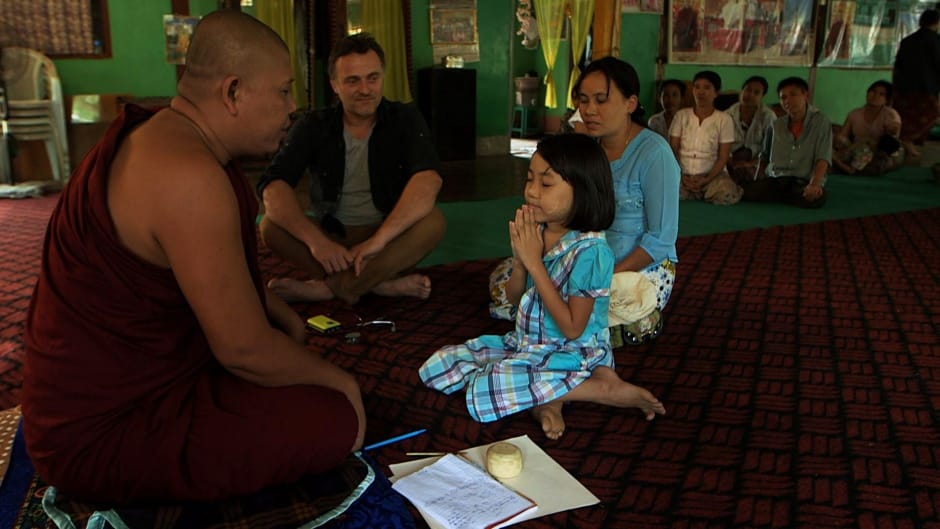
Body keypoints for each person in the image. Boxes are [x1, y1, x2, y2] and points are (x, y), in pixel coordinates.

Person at [21, 10, 365, 504]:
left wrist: (270, 311)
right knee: (331, 418)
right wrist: (342, 384)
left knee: (286, 364)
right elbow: (242, 351)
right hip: (99, 434)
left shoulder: (167, 132)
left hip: (135, 380)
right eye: (284, 90)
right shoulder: (188, 175)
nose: (293, 107)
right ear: (232, 93)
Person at [420, 134, 666, 440]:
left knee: (487, 385)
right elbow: (513, 300)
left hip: (574, 352)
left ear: (583, 190)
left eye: (546, 184)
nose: (532, 192)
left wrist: (535, 264)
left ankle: (600, 388)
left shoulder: (592, 252)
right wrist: (521, 264)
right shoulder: (538, 229)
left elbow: (574, 328)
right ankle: (551, 398)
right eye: (529, 179)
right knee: (443, 364)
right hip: (530, 343)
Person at [490, 57, 680, 347]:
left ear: (630, 103)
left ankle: (623, 322)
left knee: (612, 296)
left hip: (635, 268)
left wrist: (598, 274)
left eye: (601, 100)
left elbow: (660, 240)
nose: (589, 110)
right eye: (583, 100)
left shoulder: (655, 154)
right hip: (579, 257)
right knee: (507, 278)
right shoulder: (588, 148)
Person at [258, 33, 445, 306]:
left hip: (386, 237)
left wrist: (378, 241)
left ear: (383, 77)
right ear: (335, 85)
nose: (365, 89)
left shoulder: (405, 118)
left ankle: (331, 288)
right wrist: (317, 243)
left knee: (433, 222)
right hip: (332, 238)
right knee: (269, 227)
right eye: (352, 81)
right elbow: (274, 185)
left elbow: (428, 179)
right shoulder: (313, 124)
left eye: (373, 78)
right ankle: (378, 284)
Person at [743, 77, 831, 208]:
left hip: (803, 181)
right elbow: (764, 156)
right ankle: (784, 196)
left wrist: (814, 185)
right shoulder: (776, 125)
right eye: (783, 98)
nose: (788, 101)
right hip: (777, 179)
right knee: (746, 193)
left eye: (793, 95)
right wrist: (757, 182)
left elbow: (823, 157)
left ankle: (788, 196)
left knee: (816, 198)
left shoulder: (820, 121)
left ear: (806, 95)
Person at [669, 70, 742, 205]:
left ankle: (700, 192)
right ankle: (692, 191)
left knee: (726, 192)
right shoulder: (681, 116)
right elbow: (672, 150)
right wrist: (682, 176)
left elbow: (723, 157)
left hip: (713, 176)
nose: (701, 92)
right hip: (681, 174)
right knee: (664, 189)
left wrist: (706, 179)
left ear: (716, 92)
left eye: (707, 88)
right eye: (697, 87)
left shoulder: (724, 119)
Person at [893, 9, 940, 158]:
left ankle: (908, 145)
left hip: (904, 89)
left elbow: (897, 67)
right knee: (932, 115)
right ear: (936, 23)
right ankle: (907, 141)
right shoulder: (936, 41)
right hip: (926, 89)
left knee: (907, 118)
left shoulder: (907, 40)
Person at [832, 80, 903, 176]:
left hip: (879, 152)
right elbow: (842, 137)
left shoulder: (890, 114)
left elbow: (892, 137)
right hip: (858, 149)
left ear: (887, 100)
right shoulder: (855, 114)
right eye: (873, 91)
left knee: (882, 162)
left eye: (881, 94)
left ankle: (845, 166)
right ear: (867, 93)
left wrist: (873, 142)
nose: (875, 96)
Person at [726, 76, 778, 185]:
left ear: (761, 97)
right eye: (748, 90)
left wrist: (750, 163)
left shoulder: (768, 117)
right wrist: (730, 161)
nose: (750, 95)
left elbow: (772, 149)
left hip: (756, 163)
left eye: (756, 92)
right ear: (741, 91)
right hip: (730, 162)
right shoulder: (727, 115)